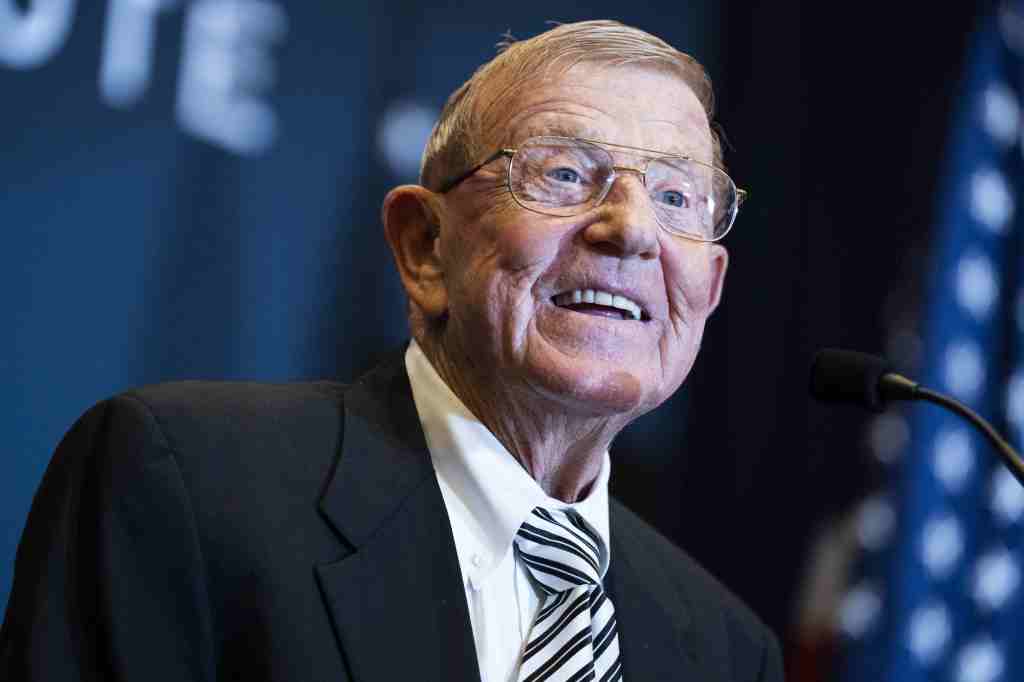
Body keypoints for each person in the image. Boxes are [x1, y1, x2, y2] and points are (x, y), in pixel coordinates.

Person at [0, 19, 783, 682]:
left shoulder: (724, 649)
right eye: (567, 173)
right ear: (423, 248)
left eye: (678, 196)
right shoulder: (184, 484)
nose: (634, 229)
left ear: (707, 289)